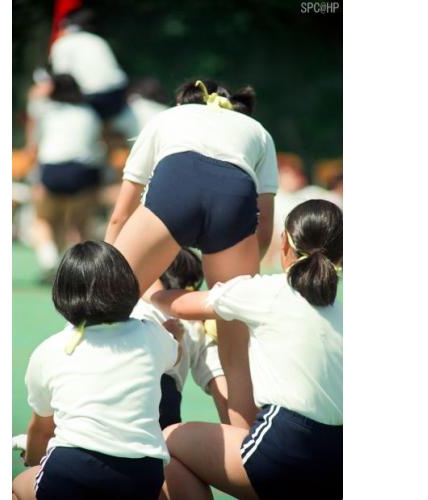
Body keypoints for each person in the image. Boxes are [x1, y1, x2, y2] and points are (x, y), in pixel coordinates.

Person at [105, 78, 279, 429]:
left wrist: (108, 280)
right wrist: (232, 298)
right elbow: (262, 232)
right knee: (235, 357)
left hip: (177, 185)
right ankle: (245, 448)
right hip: (234, 201)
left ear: (182, 101)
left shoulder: (167, 118)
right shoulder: (259, 132)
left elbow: (120, 217)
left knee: (105, 310)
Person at [152, 199, 343, 500]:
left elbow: (178, 305)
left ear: (284, 244)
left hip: (285, 447)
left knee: (166, 441)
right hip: (339, 463)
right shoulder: (343, 314)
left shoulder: (266, 291)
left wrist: (151, 288)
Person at [11, 241, 179, 500]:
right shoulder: (152, 335)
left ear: (63, 293)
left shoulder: (50, 350)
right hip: (142, 474)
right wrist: (172, 335)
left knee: (18, 487)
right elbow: (175, 356)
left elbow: (41, 429)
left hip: (71, 469)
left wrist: (34, 461)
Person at [131, 248, 228, 427]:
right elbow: (223, 396)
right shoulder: (197, 325)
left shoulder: (130, 305)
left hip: (122, 388)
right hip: (165, 405)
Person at [27, 73, 107, 278]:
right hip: (83, 172)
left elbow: (33, 143)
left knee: (43, 220)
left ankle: (49, 260)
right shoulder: (90, 113)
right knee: (79, 225)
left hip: (52, 170)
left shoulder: (46, 111)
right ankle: (84, 270)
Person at [50, 8, 130, 122]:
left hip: (91, 98)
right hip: (117, 96)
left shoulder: (63, 43)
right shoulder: (97, 40)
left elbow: (62, 78)